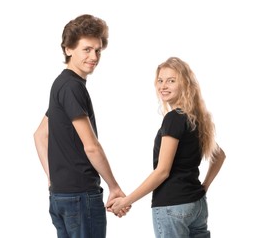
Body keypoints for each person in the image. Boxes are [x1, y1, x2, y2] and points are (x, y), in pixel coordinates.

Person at [107, 57, 226, 237]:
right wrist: (204, 187)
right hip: (197, 204)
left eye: (171, 80)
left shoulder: (174, 119)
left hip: (172, 207)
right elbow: (220, 156)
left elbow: (162, 171)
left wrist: (126, 201)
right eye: (160, 80)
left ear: (185, 84)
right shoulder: (196, 119)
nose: (163, 86)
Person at [33, 14, 129, 238]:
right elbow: (91, 147)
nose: (94, 56)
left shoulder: (60, 84)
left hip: (60, 197)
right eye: (86, 49)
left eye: (98, 50)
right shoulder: (73, 87)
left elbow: (39, 135)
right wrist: (114, 187)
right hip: (80, 197)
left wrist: (53, 178)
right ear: (68, 49)